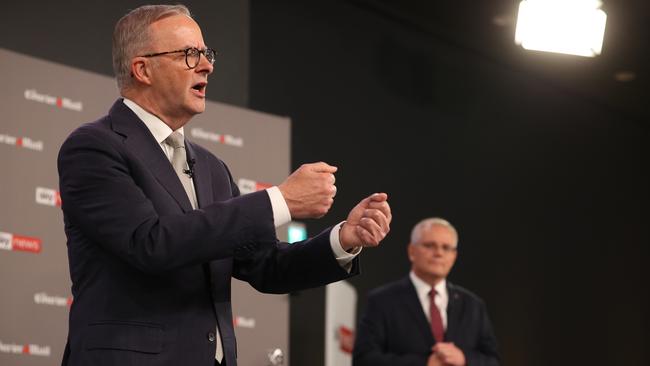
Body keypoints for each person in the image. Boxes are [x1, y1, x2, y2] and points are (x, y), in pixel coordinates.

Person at [57, 5, 391, 366]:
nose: (207, 66)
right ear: (143, 69)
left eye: (205, 53)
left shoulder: (212, 168)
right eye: (189, 55)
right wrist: (279, 200)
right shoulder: (94, 146)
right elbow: (149, 243)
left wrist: (343, 241)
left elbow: (266, 265)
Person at [353, 218, 498, 366]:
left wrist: (464, 359)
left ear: (454, 256)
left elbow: (493, 361)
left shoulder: (473, 305)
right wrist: (424, 364)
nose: (439, 253)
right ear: (411, 251)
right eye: (430, 245)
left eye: (446, 247)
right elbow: (364, 360)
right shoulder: (381, 301)